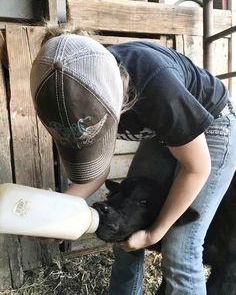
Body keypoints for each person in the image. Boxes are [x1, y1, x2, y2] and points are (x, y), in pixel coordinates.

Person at [30, 28, 236, 295]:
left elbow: (196, 168)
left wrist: (153, 234)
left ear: (119, 94)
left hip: (213, 127)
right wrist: (62, 207)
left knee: (180, 248)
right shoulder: (76, 90)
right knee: (122, 222)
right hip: (163, 130)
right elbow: (97, 165)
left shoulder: (156, 83)